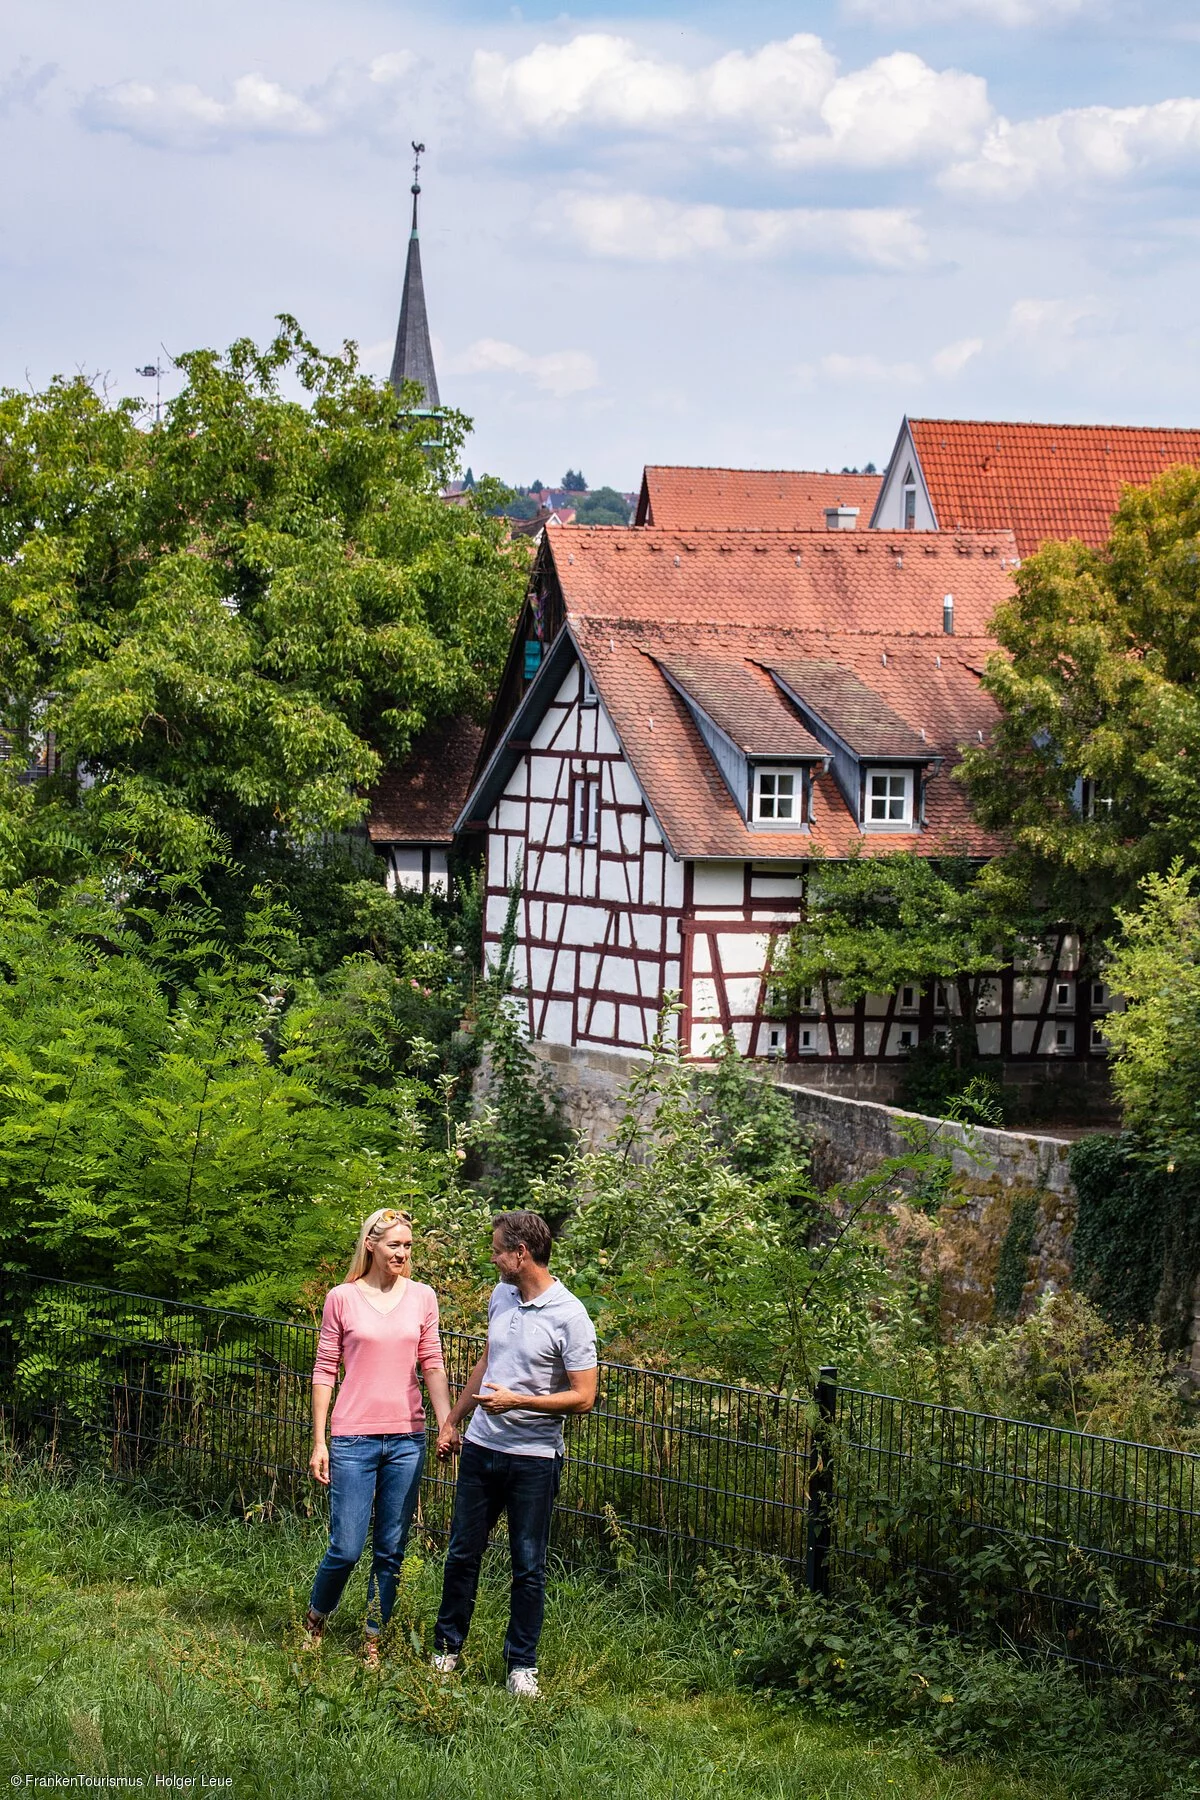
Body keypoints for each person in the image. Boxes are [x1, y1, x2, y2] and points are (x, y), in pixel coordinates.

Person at [432, 1209, 598, 1699]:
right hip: (483, 1448)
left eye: (497, 1249)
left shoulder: (570, 1315)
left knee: (528, 1564)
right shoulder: (501, 1295)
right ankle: (446, 1651)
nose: (492, 1256)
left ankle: (521, 1667)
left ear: (520, 1254)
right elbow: (488, 1361)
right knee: (463, 1552)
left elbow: (585, 1397)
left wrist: (519, 1401)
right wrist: (452, 1420)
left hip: (534, 1458)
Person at [305, 1207, 453, 1668]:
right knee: (346, 1546)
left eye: (408, 1246)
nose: (403, 1254)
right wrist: (319, 1440)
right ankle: (315, 1616)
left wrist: (447, 1422)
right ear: (371, 1244)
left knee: (391, 1548)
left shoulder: (423, 1297)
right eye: (395, 1245)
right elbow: (324, 1369)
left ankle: (373, 1635)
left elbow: (432, 1361)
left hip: (408, 1439)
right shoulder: (342, 1298)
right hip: (353, 1438)